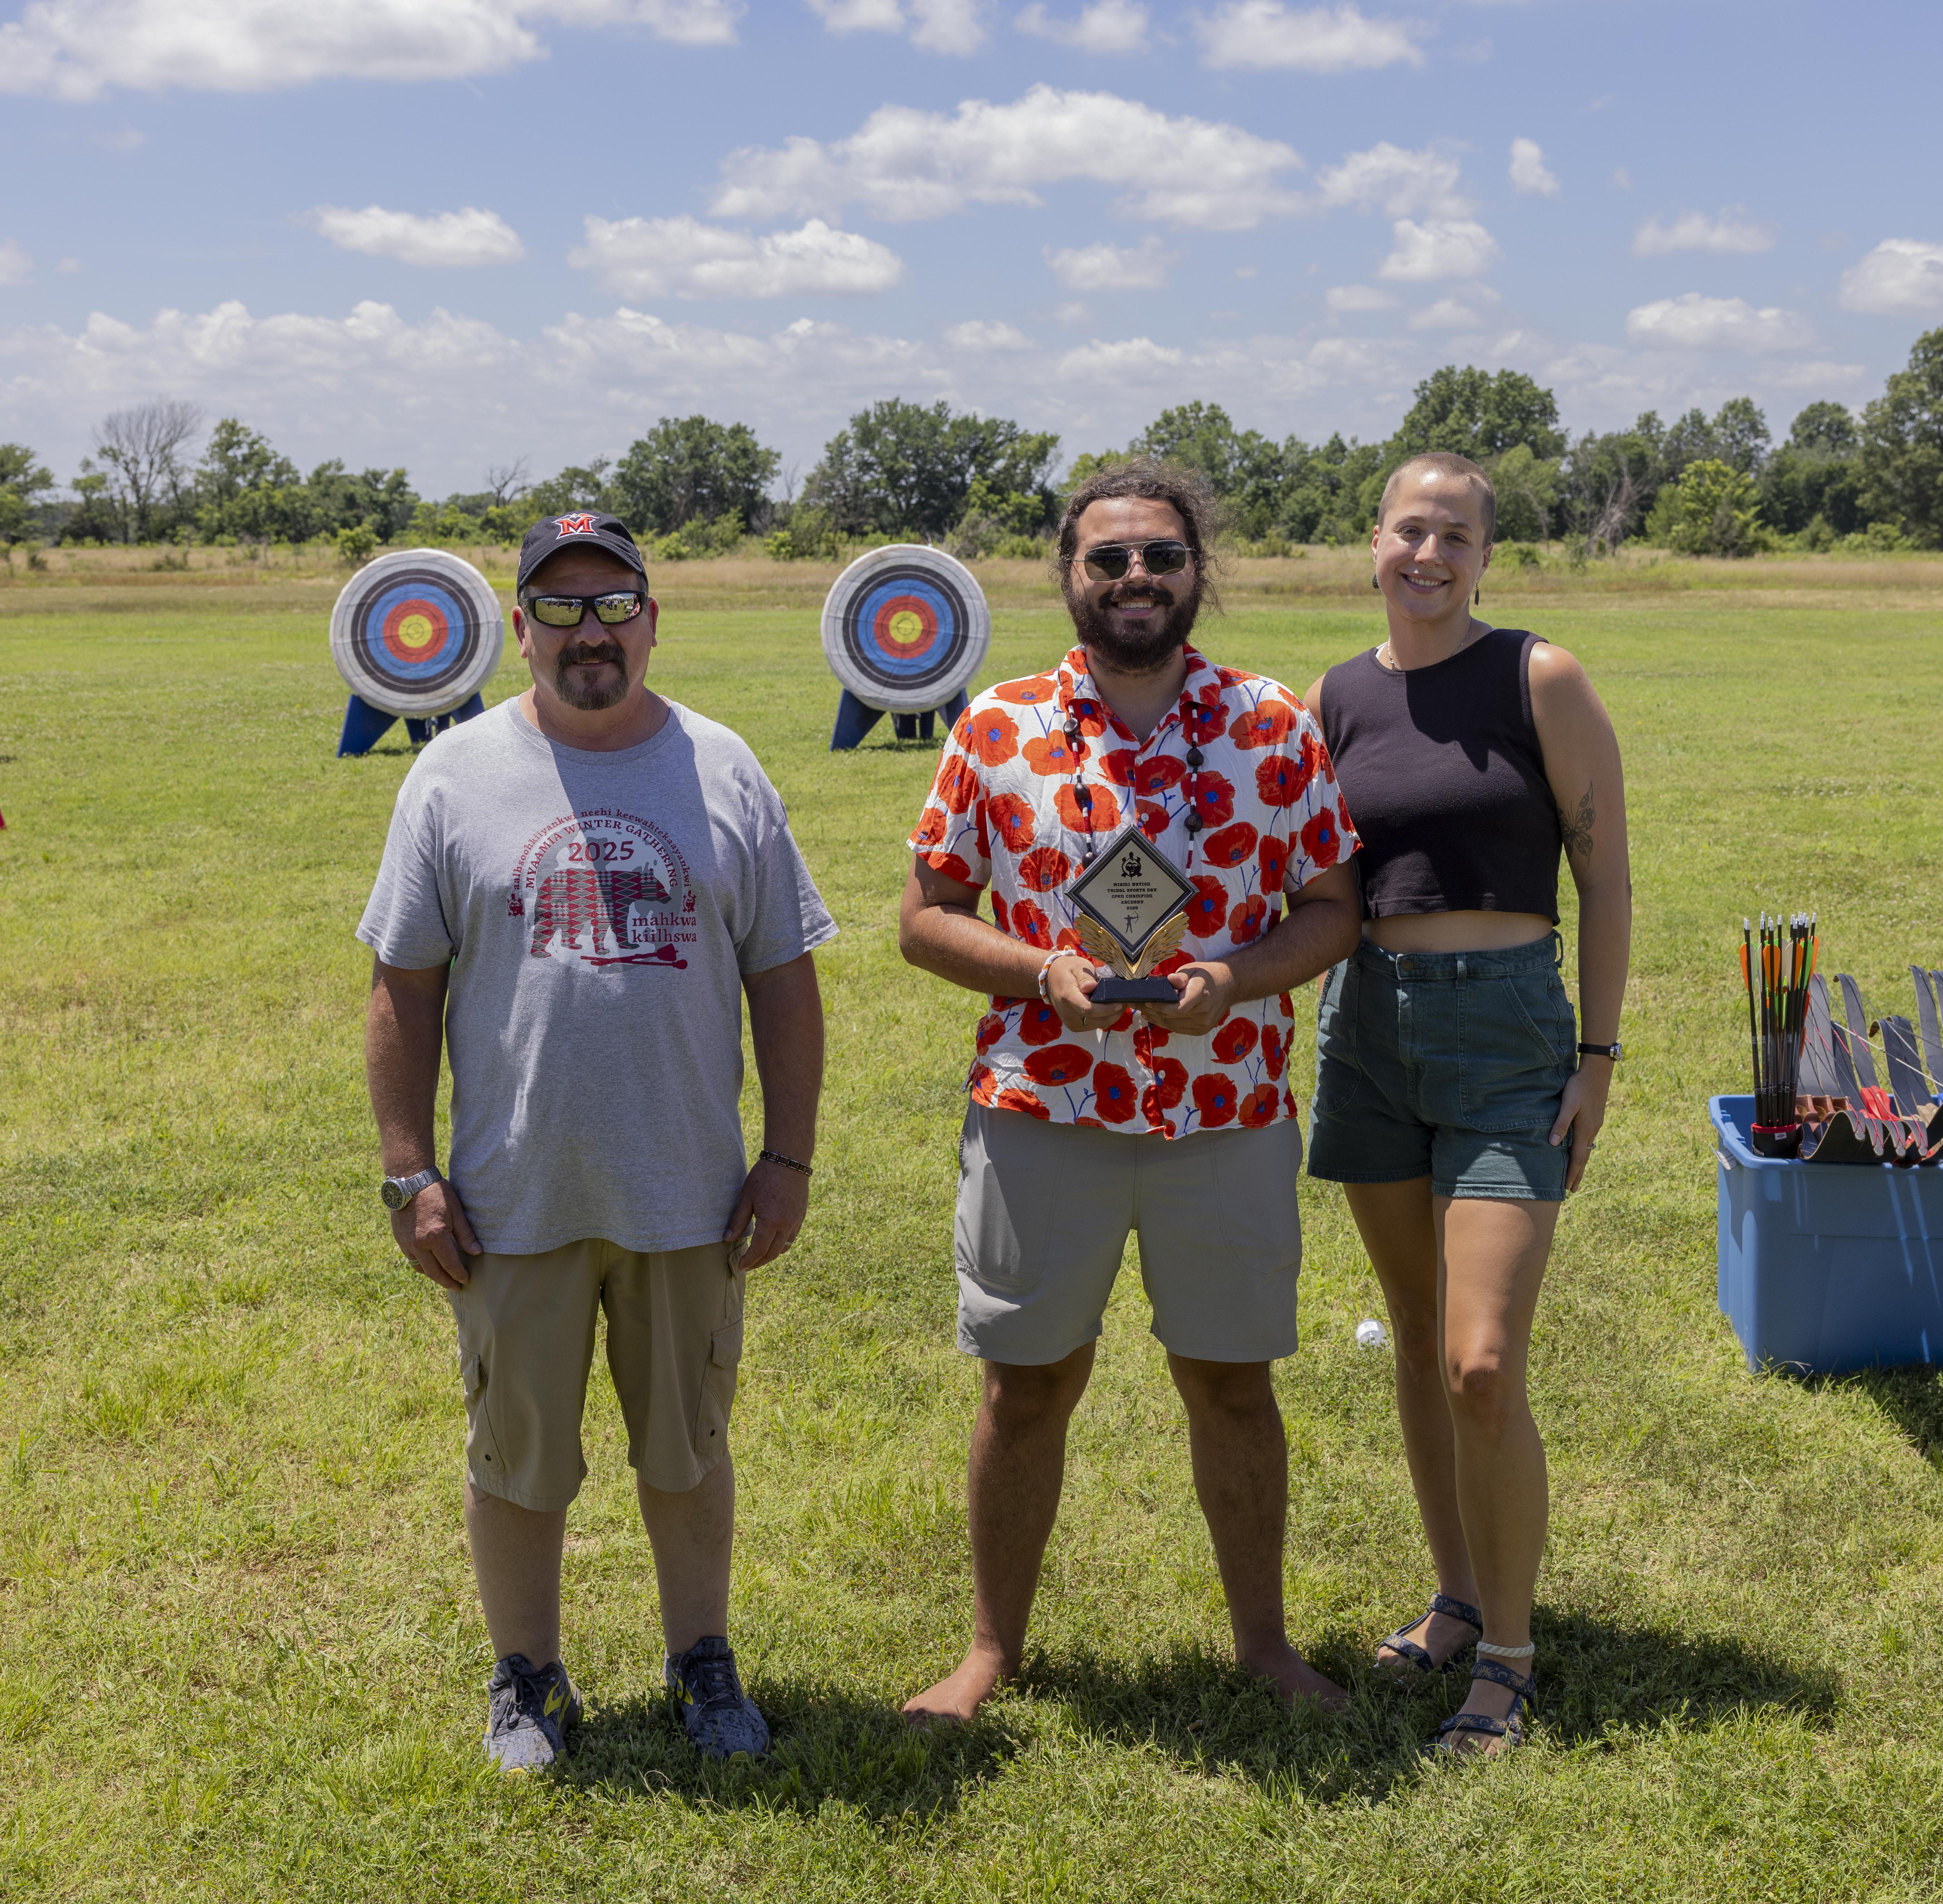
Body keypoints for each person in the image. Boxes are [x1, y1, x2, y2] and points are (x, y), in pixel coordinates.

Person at [358, 509, 834, 1771]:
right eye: (558, 608)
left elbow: (782, 978)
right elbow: (400, 984)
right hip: (515, 1196)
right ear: (517, 628)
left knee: (685, 1447)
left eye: (612, 602)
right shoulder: (450, 774)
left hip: (689, 1191)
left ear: (652, 617)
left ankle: (701, 1660)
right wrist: (410, 1169)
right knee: (517, 1457)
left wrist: (785, 1158)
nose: (589, 631)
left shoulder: (723, 765)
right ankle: (526, 1676)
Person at [896, 461, 1366, 1723]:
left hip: (1226, 1112)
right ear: (1068, 574)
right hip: (1040, 1108)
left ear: (1194, 568)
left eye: (1158, 554)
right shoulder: (995, 725)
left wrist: (1237, 977)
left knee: (1229, 1381)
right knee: (1024, 1383)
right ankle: (991, 1648)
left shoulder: (1269, 723)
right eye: (1108, 558)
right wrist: (1039, 969)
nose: (1135, 577)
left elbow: (1333, 907)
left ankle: (1261, 1644)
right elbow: (926, 917)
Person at [1303, 452, 1630, 1754]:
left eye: (1453, 534)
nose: (1426, 554)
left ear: (1484, 554)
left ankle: (1507, 1651)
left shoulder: (1535, 676)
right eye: (1406, 530)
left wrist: (1596, 1056)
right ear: (1370, 542)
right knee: (1417, 1326)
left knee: (1480, 1357)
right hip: (1370, 1032)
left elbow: (1602, 878)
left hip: (1505, 1034)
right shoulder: (1329, 697)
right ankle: (1452, 1593)